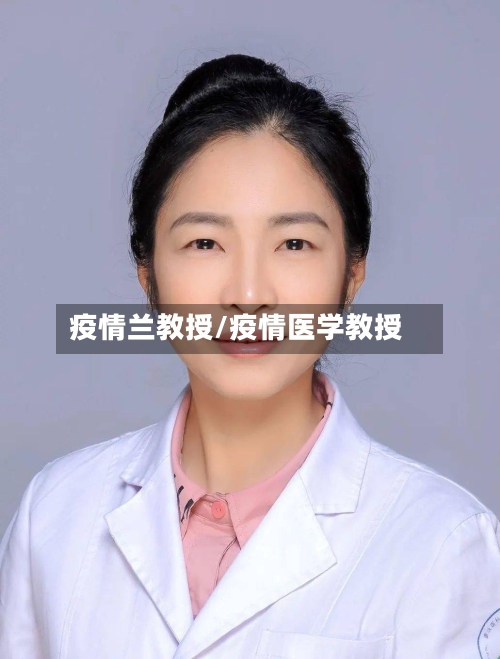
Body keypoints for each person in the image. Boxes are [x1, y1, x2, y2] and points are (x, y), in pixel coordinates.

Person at [1, 54, 499, 659]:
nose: (248, 294)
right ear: (147, 273)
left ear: (352, 274)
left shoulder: (442, 546)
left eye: (294, 243)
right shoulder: (56, 516)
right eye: (204, 242)